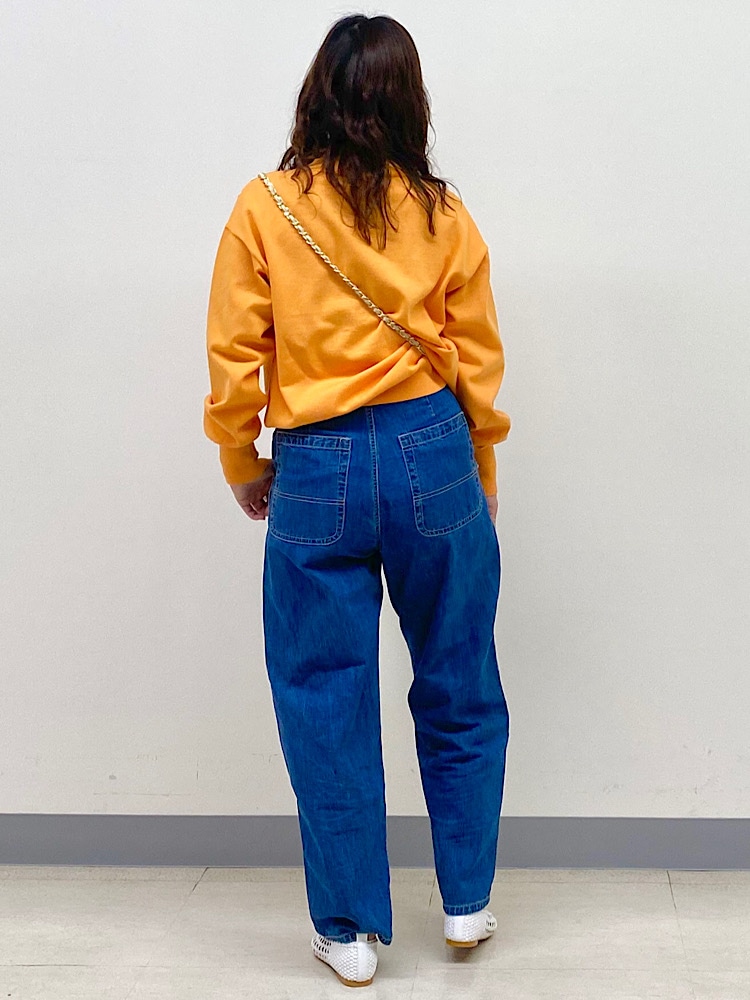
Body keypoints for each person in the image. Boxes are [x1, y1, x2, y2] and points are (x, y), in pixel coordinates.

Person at [203, 12, 511, 989]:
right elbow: (478, 357)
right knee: (459, 677)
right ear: (410, 101)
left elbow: (232, 355)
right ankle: (465, 903)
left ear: (315, 95)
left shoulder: (264, 207)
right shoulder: (444, 213)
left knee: (324, 693)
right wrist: (481, 472)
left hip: (318, 464)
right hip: (434, 452)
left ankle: (347, 930)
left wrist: (240, 459)